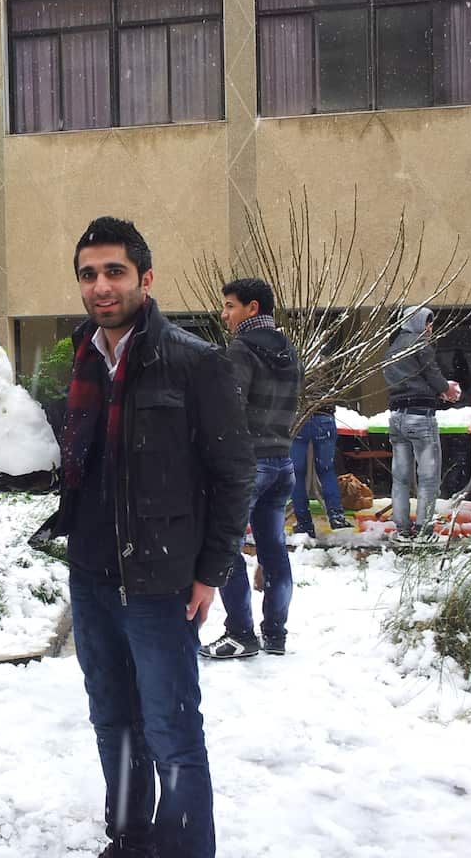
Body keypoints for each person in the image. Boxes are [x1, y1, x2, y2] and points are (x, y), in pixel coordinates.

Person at [17, 216, 252, 858]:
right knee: (114, 724)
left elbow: (234, 475)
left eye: (114, 272)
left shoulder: (195, 363)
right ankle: (128, 840)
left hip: (160, 583)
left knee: (172, 731)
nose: (100, 286)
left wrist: (211, 572)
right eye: (89, 274)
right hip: (91, 579)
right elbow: (68, 463)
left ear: (145, 279)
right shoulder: (83, 361)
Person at [201, 277, 302, 660]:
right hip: (282, 463)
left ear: (252, 308)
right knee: (274, 549)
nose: (224, 314)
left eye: (229, 305)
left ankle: (240, 634)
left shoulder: (241, 350)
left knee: (225, 547)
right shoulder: (289, 350)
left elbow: (229, 410)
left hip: (248, 466)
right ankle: (275, 634)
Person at [381, 306, 462, 539]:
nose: (430, 329)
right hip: (420, 417)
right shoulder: (420, 344)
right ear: (417, 323)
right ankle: (425, 530)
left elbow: (407, 380)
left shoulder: (392, 348)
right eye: (427, 322)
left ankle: (402, 529)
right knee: (428, 478)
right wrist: (446, 390)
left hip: (396, 417)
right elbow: (431, 373)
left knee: (401, 478)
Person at [290, 403, 347, 539]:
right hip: (324, 418)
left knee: (297, 474)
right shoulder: (327, 382)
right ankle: (336, 516)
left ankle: (304, 522)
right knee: (326, 470)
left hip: (300, 418)